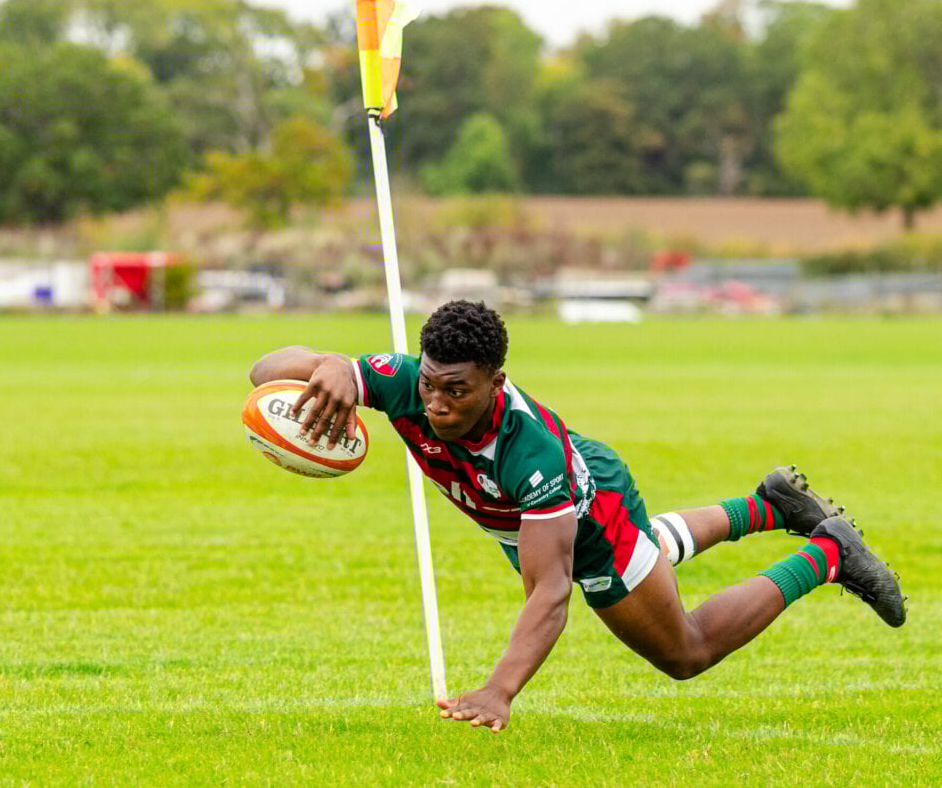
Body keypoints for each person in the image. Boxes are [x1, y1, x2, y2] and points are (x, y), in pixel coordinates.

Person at [249, 299, 906, 733]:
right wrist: (331, 365)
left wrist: (500, 688)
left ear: (495, 381)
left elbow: (552, 589)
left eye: (459, 390)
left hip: (590, 523)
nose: (439, 404)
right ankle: (768, 505)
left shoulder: (531, 456)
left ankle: (827, 555)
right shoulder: (405, 380)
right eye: (431, 385)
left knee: (683, 649)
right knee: (652, 554)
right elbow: (264, 370)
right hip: (541, 510)